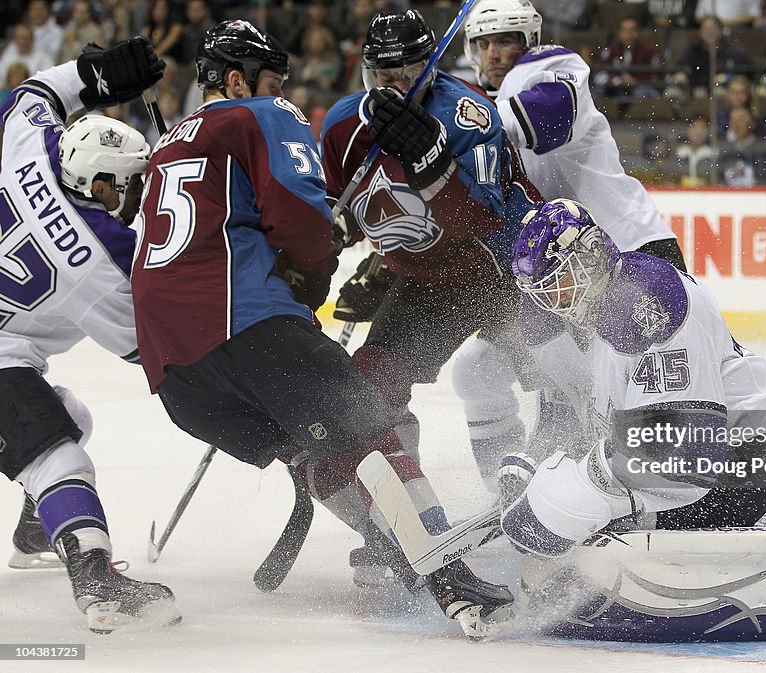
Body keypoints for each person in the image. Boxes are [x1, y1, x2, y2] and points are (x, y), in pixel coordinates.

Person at [129, 19, 513, 638]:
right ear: (237, 80)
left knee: (311, 446)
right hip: (247, 323)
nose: (280, 92)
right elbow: (304, 216)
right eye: (272, 81)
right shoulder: (260, 114)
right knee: (370, 425)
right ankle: (448, 575)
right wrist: (310, 276)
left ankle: (383, 541)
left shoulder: (169, 142)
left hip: (174, 375)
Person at [502, 198, 766, 643]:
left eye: (560, 281)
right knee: (571, 519)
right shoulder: (608, 304)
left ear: (590, 254)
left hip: (734, 470)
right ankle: (754, 532)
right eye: (544, 290)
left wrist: (571, 494)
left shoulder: (645, 303)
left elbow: (679, 456)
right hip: (721, 462)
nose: (554, 299)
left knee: (572, 527)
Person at [457, 0, 688, 474]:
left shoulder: (551, 66)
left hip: (628, 250)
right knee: (476, 370)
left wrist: (444, 128)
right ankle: (518, 490)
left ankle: (730, 485)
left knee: (663, 382)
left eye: (506, 41)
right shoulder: (474, 108)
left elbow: (546, 120)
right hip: (559, 269)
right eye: (485, 43)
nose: (495, 53)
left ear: (529, 42)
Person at [0, 39, 181, 632]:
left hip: (9, 353)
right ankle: (96, 581)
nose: (133, 200)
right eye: (128, 186)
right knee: (61, 456)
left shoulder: (28, 143)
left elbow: (35, 93)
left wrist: (95, 75)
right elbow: (147, 347)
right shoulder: (100, 256)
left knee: (70, 416)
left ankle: (36, 533)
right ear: (103, 185)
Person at [320, 9, 541, 486]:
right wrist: (326, 246)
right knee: (370, 395)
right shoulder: (343, 127)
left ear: (431, 64)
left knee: (552, 382)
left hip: (505, 272)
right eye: (386, 75)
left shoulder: (468, 113)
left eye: (410, 72)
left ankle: (554, 499)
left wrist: (429, 159)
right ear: (367, 71)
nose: (398, 85)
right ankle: (409, 520)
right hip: (430, 284)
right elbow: (341, 211)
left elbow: (481, 218)